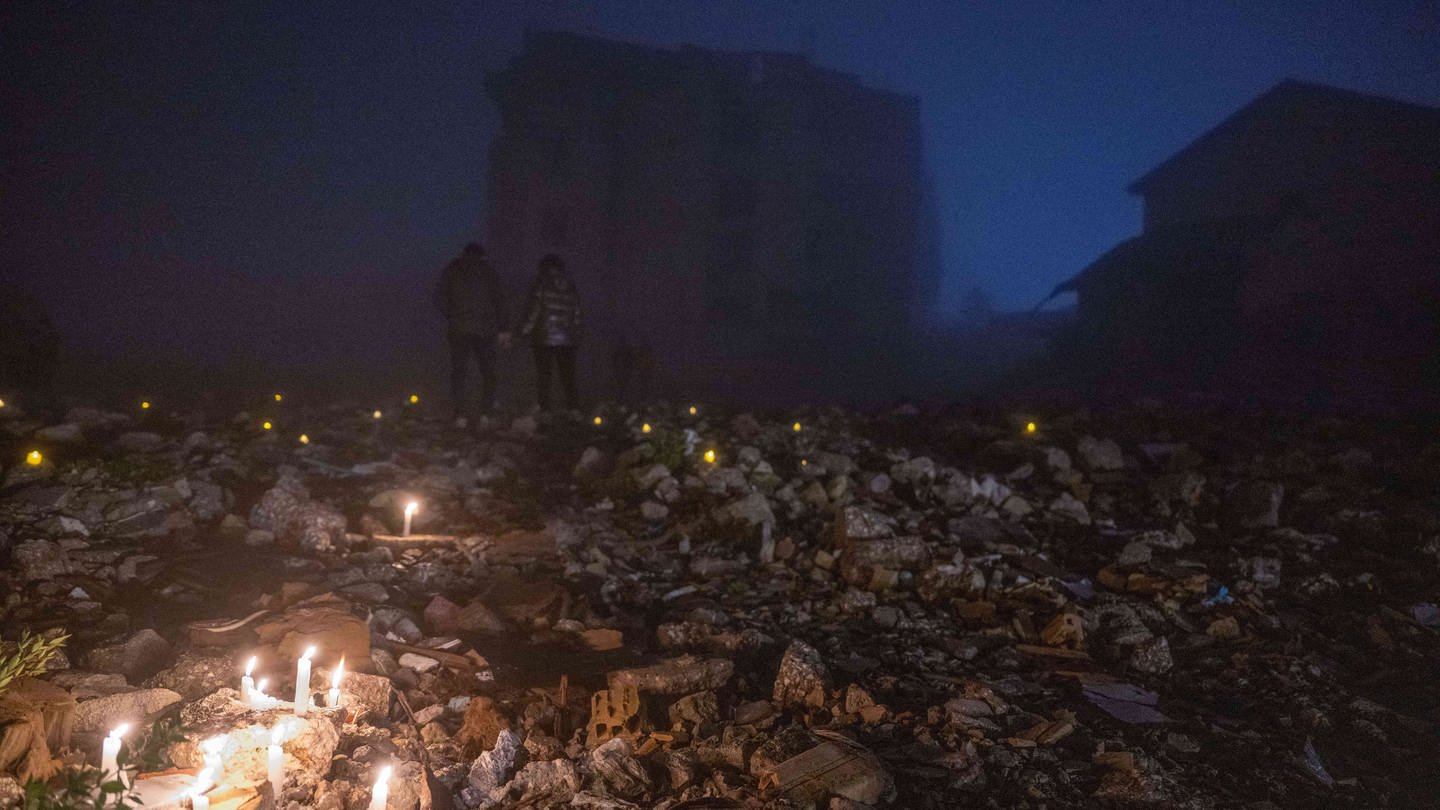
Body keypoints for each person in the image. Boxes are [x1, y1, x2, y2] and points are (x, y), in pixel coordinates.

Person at [433, 242, 509, 426]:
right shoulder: (489, 273)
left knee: (460, 372)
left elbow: (440, 298)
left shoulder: (452, 271)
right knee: (488, 372)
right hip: (485, 330)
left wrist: (453, 315)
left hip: (459, 329)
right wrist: (504, 329)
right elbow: (500, 301)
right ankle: (486, 413)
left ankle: (461, 414)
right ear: (482, 255)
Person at [519, 254, 581, 411]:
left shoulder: (541, 285)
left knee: (544, 377)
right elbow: (577, 315)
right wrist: (575, 334)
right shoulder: (570, 287)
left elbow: (534, 313)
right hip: (567, 339)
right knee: (568, 377)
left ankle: (545, 410)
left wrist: (522, 333)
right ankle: (574, 410)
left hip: (543, 338)